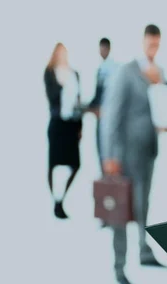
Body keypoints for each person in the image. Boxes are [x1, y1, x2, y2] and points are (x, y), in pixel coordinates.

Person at [101, 24, 165, 284]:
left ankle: (144, 250)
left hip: (148, 150)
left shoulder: (159, 72)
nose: (153, 48)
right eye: (150, 43)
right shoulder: (126, 71)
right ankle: (119, 267)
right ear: (143, 42)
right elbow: (111, 114)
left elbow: (161, 107)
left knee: (143, 203)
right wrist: (110, 155)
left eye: (157, 44)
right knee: (120, 210)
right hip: (124, 154)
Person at [44, 43, 83, 220]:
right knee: (53, 164)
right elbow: (52, 97)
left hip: (71, 125)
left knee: (75, 164)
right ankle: (55, 201)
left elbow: (78, 101)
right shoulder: (50, 73)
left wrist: (80, 126)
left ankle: (61, 199)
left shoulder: (74, 74)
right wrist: (62, 85)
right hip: (57, 123)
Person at [88, 37, 118, 171]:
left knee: (106, 150)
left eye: (104, 48)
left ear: (109, 49)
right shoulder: (102, 67)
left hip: (107, 114)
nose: (102, 51)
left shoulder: (111, 68)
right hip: (102, 114)